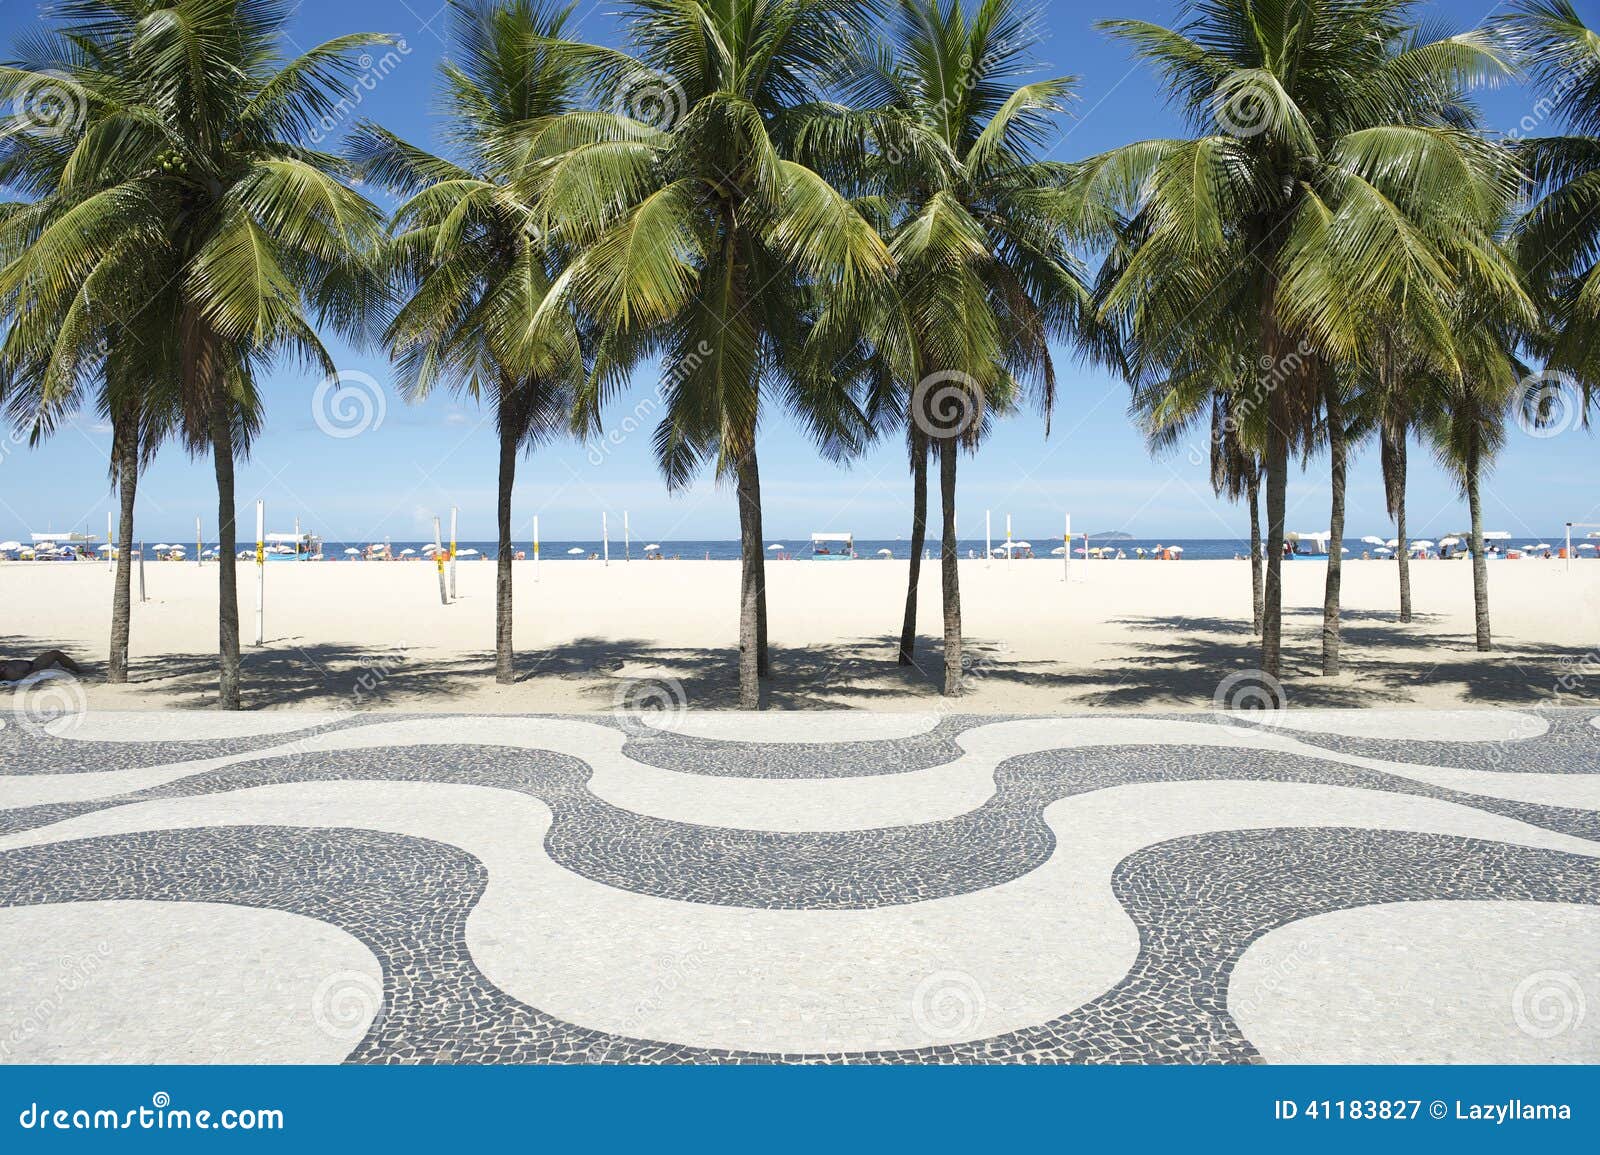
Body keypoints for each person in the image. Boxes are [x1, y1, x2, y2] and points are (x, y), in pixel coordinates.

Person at [1, 650, 83, 683]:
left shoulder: (6, 669)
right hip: (34, 667)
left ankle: (78, 670)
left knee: (55, 653)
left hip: (30, 665)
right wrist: (35, 673)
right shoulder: (9, 673)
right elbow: (26, 677)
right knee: (56, 654)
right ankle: (80, 671)